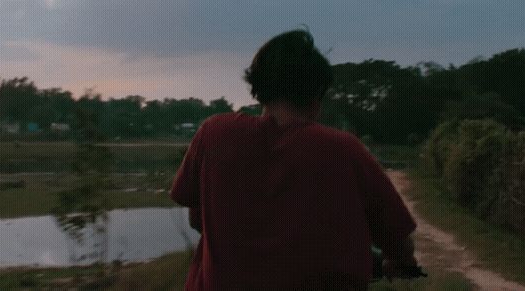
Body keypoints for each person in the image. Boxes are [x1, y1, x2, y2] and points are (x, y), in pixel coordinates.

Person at [171, 30, 418, 290]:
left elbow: (197, 221)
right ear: (317, 92)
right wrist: (397, 261)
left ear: (259, 87)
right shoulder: (343, 150)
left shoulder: (213, 134)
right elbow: (398, 241)